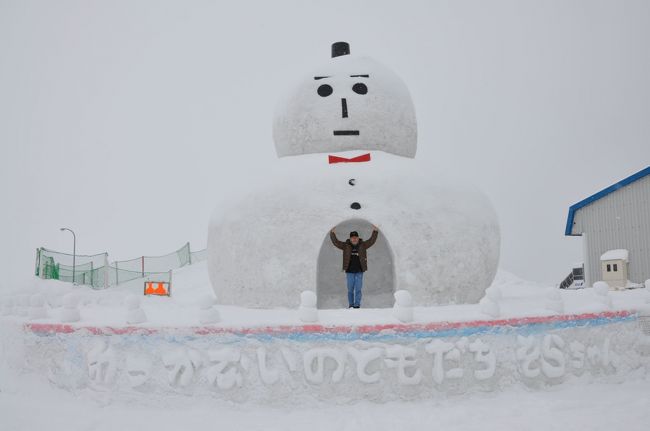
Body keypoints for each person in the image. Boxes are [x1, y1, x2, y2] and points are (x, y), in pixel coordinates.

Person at [330, 225, 379, 308]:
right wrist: (332, 233)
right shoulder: (346, 245)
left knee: (358, 289)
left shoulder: (363, 245)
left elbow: (371, 241)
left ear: (358, 238)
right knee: (350, 290)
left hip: (359, 271)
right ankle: (351, 304)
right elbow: (336, 242)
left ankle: (357, 305)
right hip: (349, 271)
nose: (354, 239)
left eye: (355, 237)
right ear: (350, 238)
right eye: (352, 237)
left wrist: (375, 231)